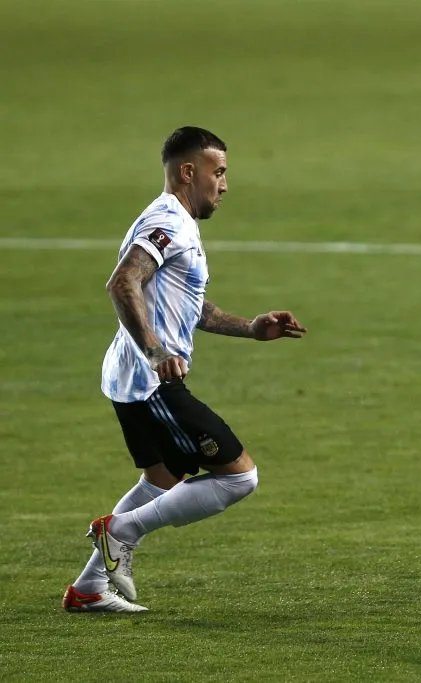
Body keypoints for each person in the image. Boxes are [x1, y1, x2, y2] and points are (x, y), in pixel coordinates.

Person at [62, 127, 307, 612]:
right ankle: (119, 532)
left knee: (161, 482)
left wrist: (251, 328)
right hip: (152, 381)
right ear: (188, 172)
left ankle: (89, 589)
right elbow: (122, 283)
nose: (224, 184)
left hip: (133, 377)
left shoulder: (179, 225)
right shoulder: (167, 221)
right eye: (218, 172)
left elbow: (188, 307)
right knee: (239, 478)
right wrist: (155, 352)